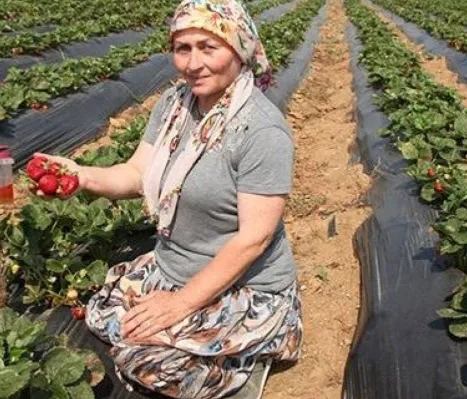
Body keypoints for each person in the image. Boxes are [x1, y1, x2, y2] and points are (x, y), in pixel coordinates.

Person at [35, 0, 302, 397]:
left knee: (144, 362)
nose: (193, 63)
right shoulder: (175, 104)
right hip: (172, 266)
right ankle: (214, 345)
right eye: (183, 48)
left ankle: (247, 363)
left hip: (244, 285)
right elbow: (137, 173)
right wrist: (81, 175)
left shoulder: (261, 132)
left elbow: (254, 239)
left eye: (208, 47)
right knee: (106, 317)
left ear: (240, 49)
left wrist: (179, 304)